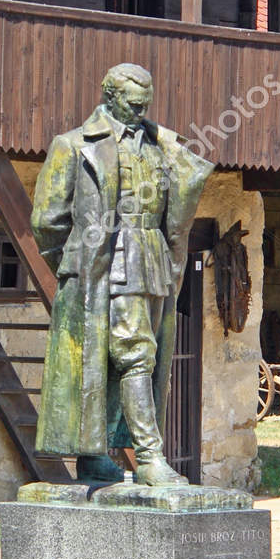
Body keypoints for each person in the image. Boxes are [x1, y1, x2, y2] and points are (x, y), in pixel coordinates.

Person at [31, 62, 214, 486]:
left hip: (152, 259)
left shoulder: (162, 146)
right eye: (133, 104)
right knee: (137, 355)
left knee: (125, 362)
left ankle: (95, 458)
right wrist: (78, 268)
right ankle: (148, 457)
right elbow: (47, 221)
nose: (140, 111)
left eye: (145, 104)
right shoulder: (73, 145)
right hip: (105, 262)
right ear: (110, 97)